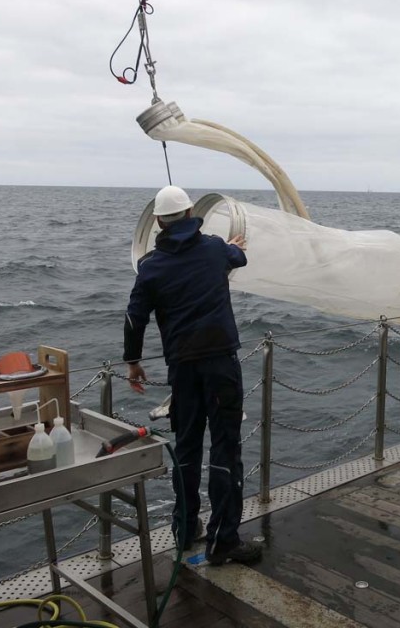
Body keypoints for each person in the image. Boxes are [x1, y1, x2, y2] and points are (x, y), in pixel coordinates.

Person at [124, 185, 262, 566]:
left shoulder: (151, 266)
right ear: (191, 215)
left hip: (182, 368)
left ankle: (185, 531)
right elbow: (239, 256)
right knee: (225, 447)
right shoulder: (216, 249)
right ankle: (224, 541)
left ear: (157, 222)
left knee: (186, 448)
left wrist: (133, 361)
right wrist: (234, 247)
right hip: (220, 365)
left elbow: (135, 317)